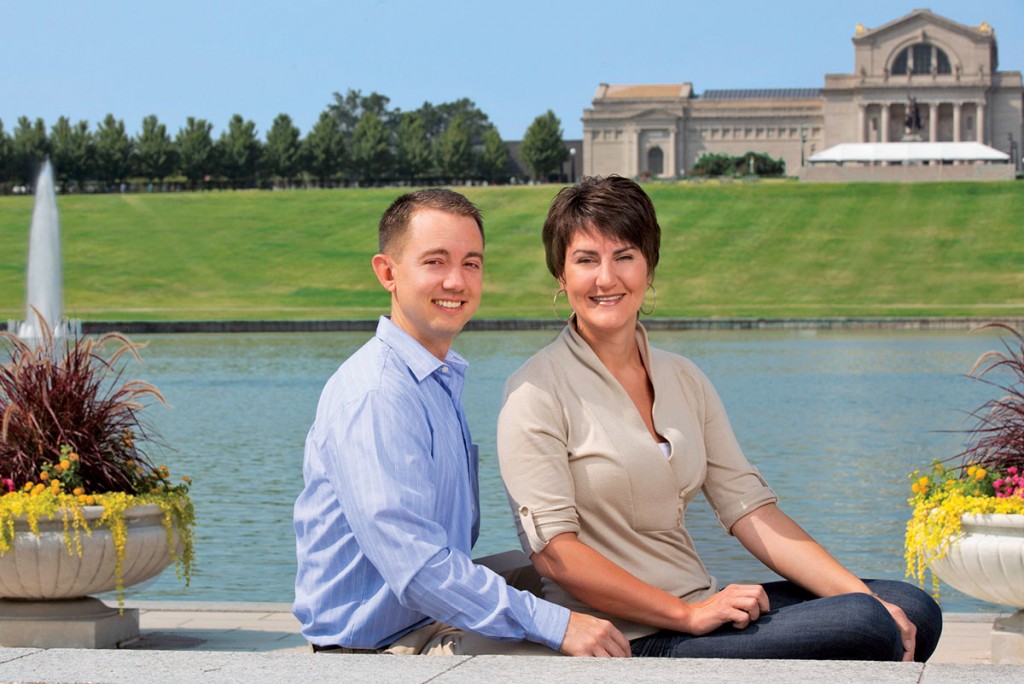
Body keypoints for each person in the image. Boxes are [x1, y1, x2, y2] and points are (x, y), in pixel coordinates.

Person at [496, 176, 942, 660]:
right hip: (634, 637)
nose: (607, 278)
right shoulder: (534, 391)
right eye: (586, 260)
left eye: (624, 256)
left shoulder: (683, 377)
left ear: (649, 267)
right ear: (561, 276)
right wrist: (686, 615)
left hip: (701, 605)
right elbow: (555, 555)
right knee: (864, 624)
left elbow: (751, 510)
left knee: (908, 607)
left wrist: (865, 595)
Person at [293, 188, 630, 657]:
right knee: (566, 632)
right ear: (387, 273)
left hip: (419, 612)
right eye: (435, 262)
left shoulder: (436, 378)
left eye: (471, 263)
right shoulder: (376, 395)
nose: (457, 281)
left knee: (576, 587)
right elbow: (419, 570)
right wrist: (560, 626)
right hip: (378, 645)